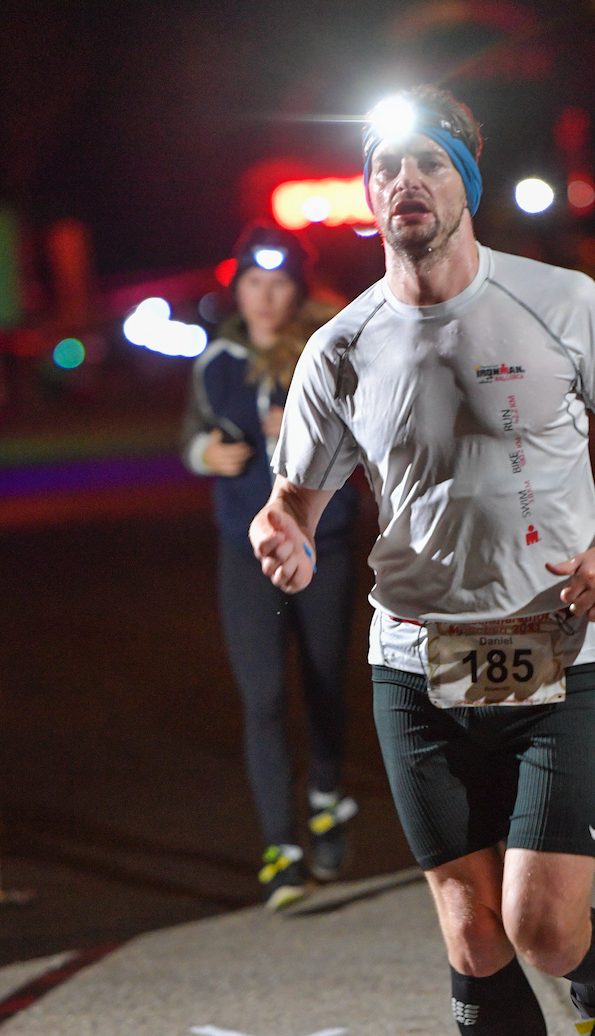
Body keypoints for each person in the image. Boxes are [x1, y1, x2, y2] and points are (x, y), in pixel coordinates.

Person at [249, 87, 595, 1036]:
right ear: (369, 196)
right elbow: (294, 494)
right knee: (468, 931)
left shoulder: (556, 302)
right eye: (383, 165)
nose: (404, 183)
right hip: (415, 664)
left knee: (539, 927)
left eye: (426, 163)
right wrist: (279, 530)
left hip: (552, 647)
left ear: (462, 186)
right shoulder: (342, 346)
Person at [182, 225, 359, 909]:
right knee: (261, 695)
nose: (264, 296)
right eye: (253, 283)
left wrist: (309, 431)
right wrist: (207, 455)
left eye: (279, 282)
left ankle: (327, 792)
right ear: (237, 290)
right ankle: (281, 851)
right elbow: (191, 433)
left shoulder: (328, 349)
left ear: (298, 288)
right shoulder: (218, 359)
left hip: (323, 541)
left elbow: (372, 438)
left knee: (320, 682)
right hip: (243, 546)